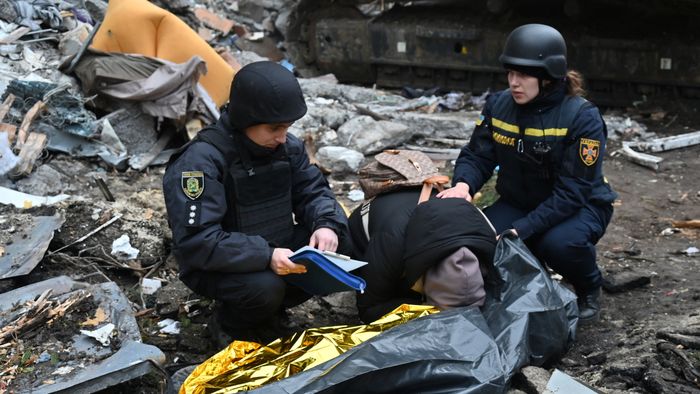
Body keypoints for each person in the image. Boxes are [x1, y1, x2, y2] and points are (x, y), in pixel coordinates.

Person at [437, 24, 617, 322]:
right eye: (510, 73)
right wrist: (463, 185)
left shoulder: (581, 117)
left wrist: (522, 229)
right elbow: (477, 154)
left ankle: (588, 286)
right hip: (519, 201)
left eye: (523, 75)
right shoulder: (499, 105)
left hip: (580, 206)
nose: (514, 83)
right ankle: (531, 277)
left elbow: (573, 192)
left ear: (548, 77)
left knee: (558, 244)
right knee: (477, 239)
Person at [163, 61, 351, 344]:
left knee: (341, 243)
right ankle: (230, 324)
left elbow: (313, 191)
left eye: (287, 127)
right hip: (217, 265)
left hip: (273, 247)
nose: (283, 137)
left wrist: (326, 225)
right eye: (275, 128)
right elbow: (198, 242)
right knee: (265, 288)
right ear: (245, 120)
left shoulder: (286, 147)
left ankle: (269, 315)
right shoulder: (201, 162)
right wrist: (266, 255)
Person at [349, 189, 498, 323]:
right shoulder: (391, 243)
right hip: (366, 235)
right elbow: (368, 310)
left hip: (416, 225)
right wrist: (423, 310)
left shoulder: (487, 239)